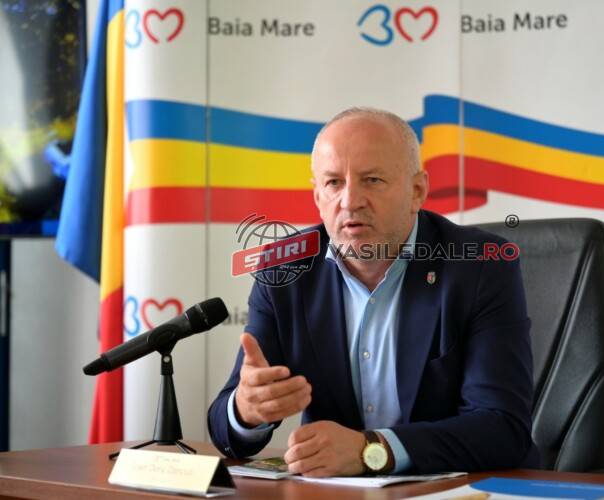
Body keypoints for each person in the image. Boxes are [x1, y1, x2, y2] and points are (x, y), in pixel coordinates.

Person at [208, 108, 538, 476]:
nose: (350, 201)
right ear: (317, 196)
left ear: (417, 191)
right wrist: (247, 411)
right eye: (334, 183)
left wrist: (373, 451)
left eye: (373, 180)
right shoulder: (284, 270)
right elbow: (225, 429)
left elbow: (502, 428)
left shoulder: (480, 266)